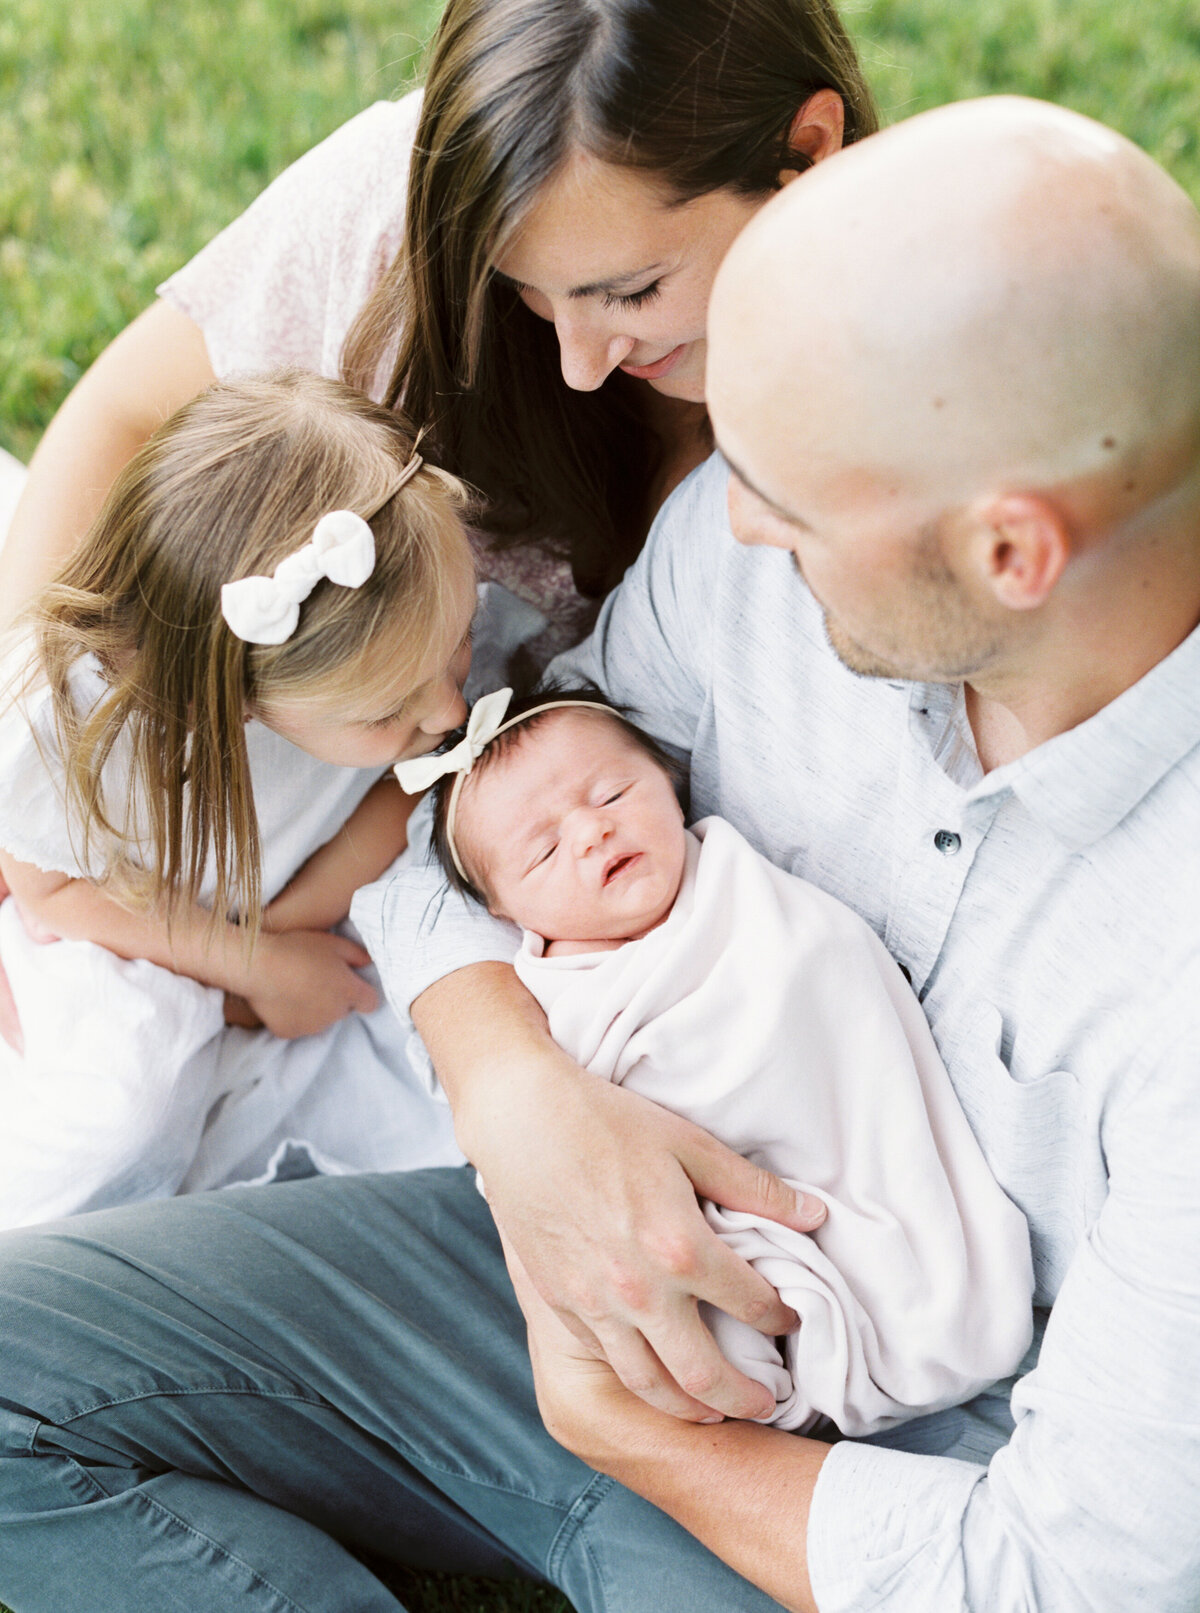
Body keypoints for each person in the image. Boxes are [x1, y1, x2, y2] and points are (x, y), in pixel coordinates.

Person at [2, 91, 1197, 1613]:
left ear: (1010, 552)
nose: (728, 525)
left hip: (884, 1496)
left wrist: (627, 1427)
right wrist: (513, 1092)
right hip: (527, 1251)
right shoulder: (741, 564)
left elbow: (1067, 1577)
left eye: (783, 494)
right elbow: (475, 806)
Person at [0, 0, 875, 1217]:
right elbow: (119, 421)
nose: (575, 359)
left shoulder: (903, 394)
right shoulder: (420, 203)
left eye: (629, 289)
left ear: (811, 149)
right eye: (529, 293)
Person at [407, 685, 1033, 1437]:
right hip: (703, 1218)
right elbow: (545, 1164)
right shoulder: (550, 997)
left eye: (612, 792)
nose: (591, 831)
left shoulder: (740, 889)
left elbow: (829, 988)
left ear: (670, 785)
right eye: (542, 851)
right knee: (694, 1293)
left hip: (838, 1154)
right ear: (502, 909)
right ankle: (746, 1389)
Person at [0, 369, 476, 1226]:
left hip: (287, 898)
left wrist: (290, 927)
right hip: (126, 905)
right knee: (113, 1123)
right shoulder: (72, 732)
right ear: (241, 703)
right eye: (389, 708)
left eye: (461, 644)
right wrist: (243, 962)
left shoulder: (407, 628)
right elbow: (50, 887)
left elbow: (411, 793)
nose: (447, 710)